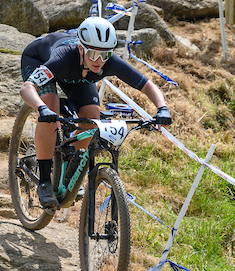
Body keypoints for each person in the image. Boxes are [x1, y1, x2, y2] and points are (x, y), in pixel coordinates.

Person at [19, 16, 172, 208]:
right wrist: (42, 108)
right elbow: (27, 88)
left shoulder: (106, 61)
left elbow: (146, 84)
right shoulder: (63, 57)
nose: (99, 61)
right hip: (39, 60)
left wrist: (162, 108)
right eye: (93, 54)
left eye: (105, 55)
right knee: (50, 105)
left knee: (92, 116)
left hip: (78, 74)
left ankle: (68, 166)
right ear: (81, 49)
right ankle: (44, 181)